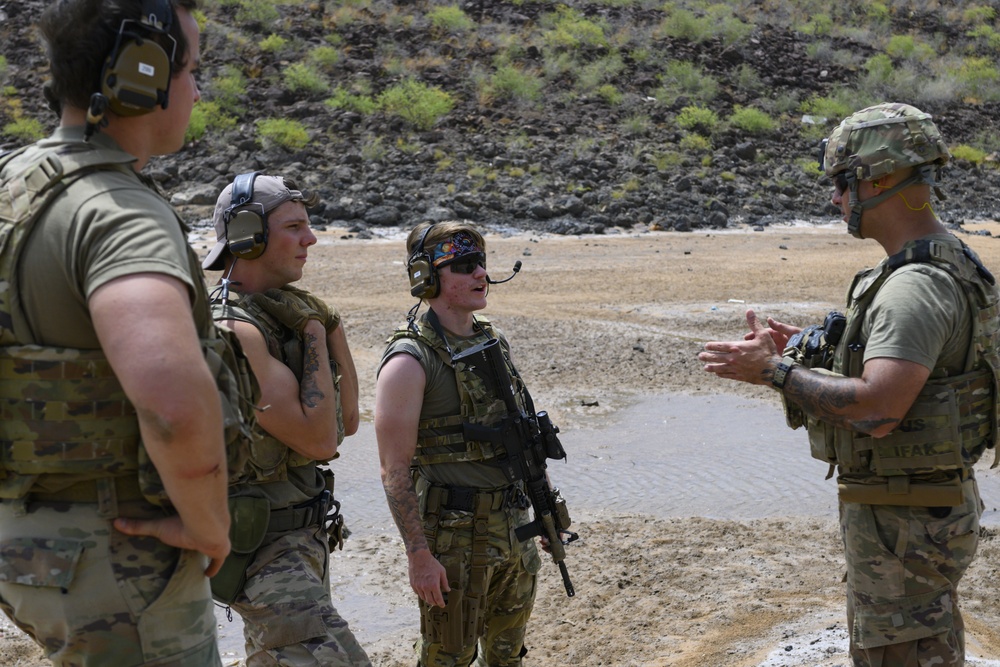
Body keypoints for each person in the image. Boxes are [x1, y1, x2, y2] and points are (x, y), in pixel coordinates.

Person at [698, 102, 1000, 667]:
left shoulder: (914, 286)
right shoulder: (944, 263)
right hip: (912, 517)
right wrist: (809, 354)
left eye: (842, 182)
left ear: (881, 178)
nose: (835, 198)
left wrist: (772, 371)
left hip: (905, 527)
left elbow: (877, 410)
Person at [0, 1, 235, 665]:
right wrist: (207, 521)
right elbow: (170, 405)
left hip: (26, 542)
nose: (195, 90)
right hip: (116, 558)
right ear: (142, 75)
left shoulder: (14, 184)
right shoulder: (119, 216)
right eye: (192, 70)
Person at [204, 173, 370, 666]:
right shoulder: (234, 329)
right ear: (246, 234)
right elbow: (321, 441)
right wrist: (317, 331)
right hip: (262, 554)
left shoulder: (278, 314)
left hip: (298, 542)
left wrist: (328, 325)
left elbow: (350, 420)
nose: (311, 239)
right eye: (295, 227)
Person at [375, 220, 555, 667]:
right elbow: (393, 470)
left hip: (514, 531)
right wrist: (419, 556)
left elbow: (524, 433)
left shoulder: (492, 340)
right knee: (446, 660)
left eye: (481, 263)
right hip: (454, 546)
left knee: (507, 657)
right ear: (427, 277)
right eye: (464, 265)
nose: (480, 274)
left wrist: (546, 508)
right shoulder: (408, 361)